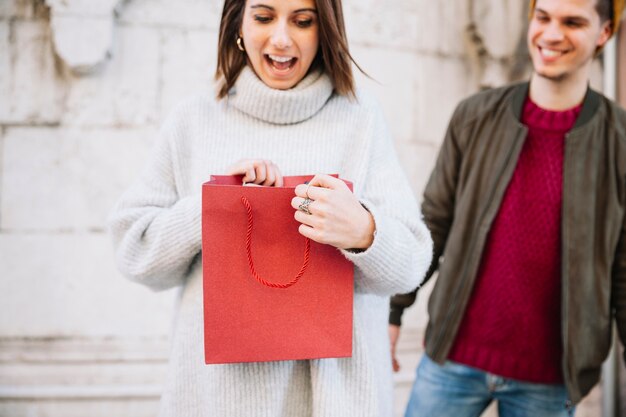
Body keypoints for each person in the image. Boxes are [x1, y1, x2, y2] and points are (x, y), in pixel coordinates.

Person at [108, 0, 433, 416]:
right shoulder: (194, 118)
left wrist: (364, 230)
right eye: (263, 17)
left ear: (325, 31)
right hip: (219, 402)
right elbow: (133, 252)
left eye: (302, 21)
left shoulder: (360, 118)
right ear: (237, 25)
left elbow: (412, 263)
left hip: (335, 401)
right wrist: (213, 207)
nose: (281, 39)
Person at [389, 0, 626, 416]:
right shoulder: (475, 116)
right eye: (543, 17)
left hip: (550, 382)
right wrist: (392, 313)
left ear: (604, 33)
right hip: (452, 360)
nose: (551, 34)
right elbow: (432, 224)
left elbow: (624, 268)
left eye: (572, 22)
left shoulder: (619, 141)